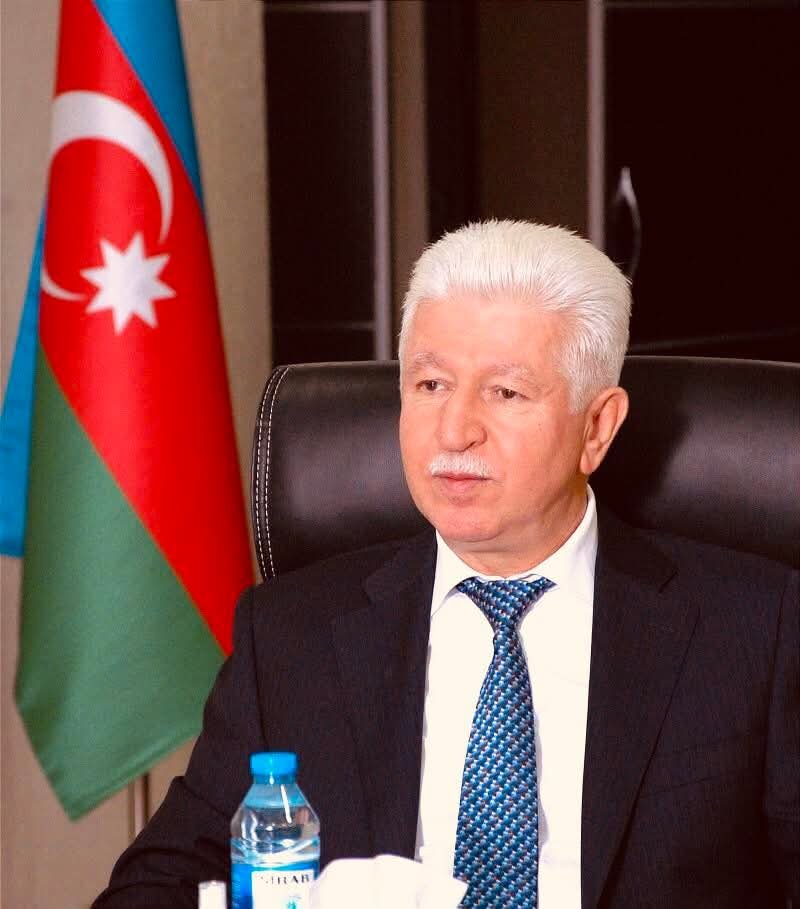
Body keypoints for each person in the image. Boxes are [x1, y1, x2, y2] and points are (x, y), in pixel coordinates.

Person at [94, 221, 799, 908]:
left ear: (596, 427)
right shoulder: (289, 635)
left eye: (506, 392)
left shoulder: (755, 630)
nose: (454, 431)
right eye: (430, 385)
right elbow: (155, 884)